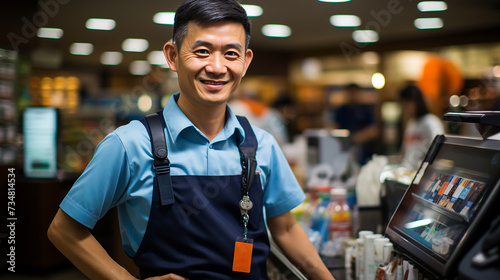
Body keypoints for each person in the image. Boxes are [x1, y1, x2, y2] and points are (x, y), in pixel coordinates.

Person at [47, 0, 335, 279]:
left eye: (231, 54)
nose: (217, 67)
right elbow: (64, 230)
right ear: (172, 56)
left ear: (246, 61)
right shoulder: (129, 144)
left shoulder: (262, 145)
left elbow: (284, 228)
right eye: (202, 51)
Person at [398, 85, 444, 170]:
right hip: (407, 172)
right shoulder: (411, 123)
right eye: (402, 105)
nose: (403, 109)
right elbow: (404, 151)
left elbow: (440, 149)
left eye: (406, 104)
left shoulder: (431, 121)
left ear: (416, 102)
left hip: (422, 174)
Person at [331, 83, 378, 165]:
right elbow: (333, 128)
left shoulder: (365, 110)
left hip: (363, 151)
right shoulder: (341, 111)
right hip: (343, 149)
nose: (352, 95)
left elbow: (373, 130)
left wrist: (357, 138)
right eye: (350, 93)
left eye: (354, 93)